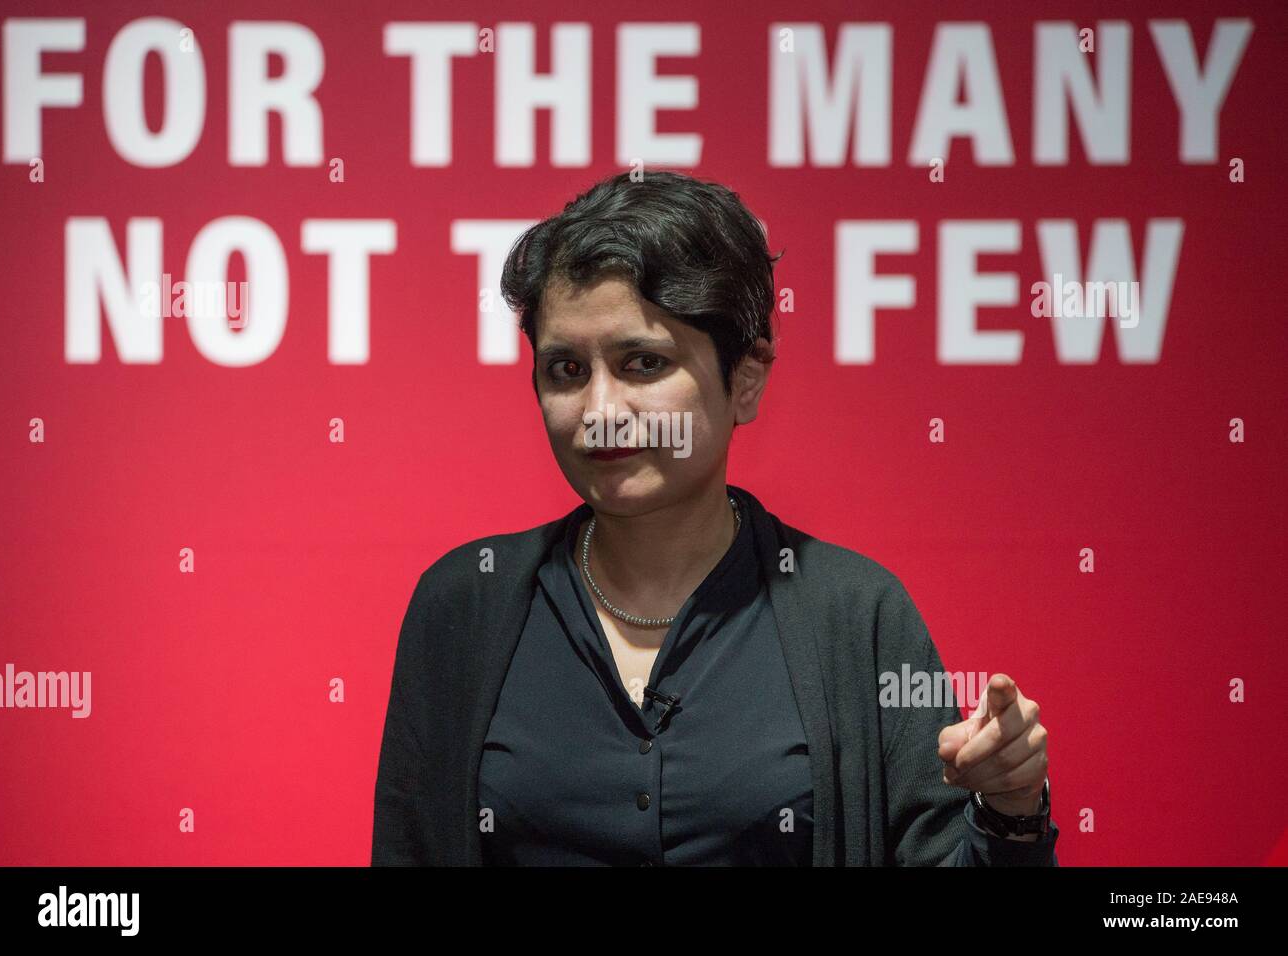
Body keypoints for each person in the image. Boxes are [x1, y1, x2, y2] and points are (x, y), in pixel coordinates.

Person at [371, 170, 1058, 866]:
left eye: (643, 362)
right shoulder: (464, 605)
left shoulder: (857, 616)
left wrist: (1009, 809)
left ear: (747, 379)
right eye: (566, 370)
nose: (601, 413)